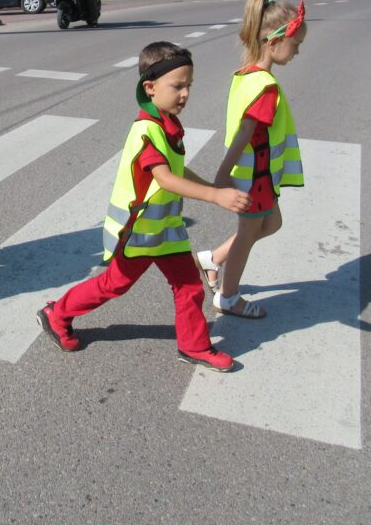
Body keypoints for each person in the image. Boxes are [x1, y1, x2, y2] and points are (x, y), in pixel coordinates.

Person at [36, 41, 251, 372]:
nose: (185, 94)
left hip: (166, 232)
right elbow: (164, 178)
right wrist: (214, 197)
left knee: (190, 285)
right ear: (150, 87)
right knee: (114, 285)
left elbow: (175, 170)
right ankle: (57, 313)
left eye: (189, 86)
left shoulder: (167, 125)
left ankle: (194, 346)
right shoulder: (147, 130)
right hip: (138, 233)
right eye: (177, 86)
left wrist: (211, 186)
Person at [195, 0, 306, 319]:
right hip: (255, 176)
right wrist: (222, 174)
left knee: (271, 223)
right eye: (295, 45)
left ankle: (212, 259)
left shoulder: (246, 74)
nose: (297, 52)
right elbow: (245, 132)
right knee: (249, 233)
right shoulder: (265, 86)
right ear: (274, 43)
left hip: (256, 176)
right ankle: (228, 297)